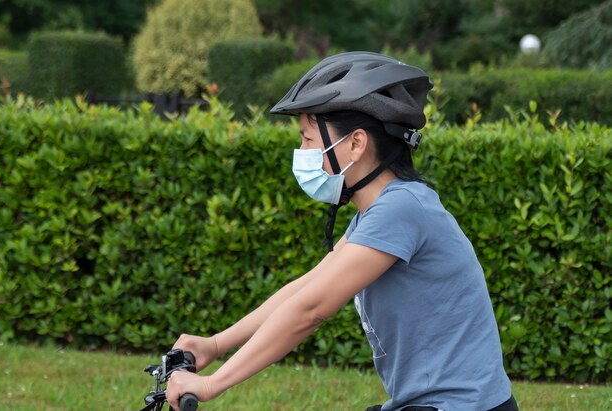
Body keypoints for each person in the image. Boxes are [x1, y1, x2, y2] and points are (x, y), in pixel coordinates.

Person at [166, 51, 518, 411]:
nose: (301, 152)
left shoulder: (401, 209)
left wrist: (212, 383)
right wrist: (215, 344)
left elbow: (311, 310)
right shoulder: (378, 212)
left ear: (355, 143)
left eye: (307, 139)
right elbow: (306, 287)